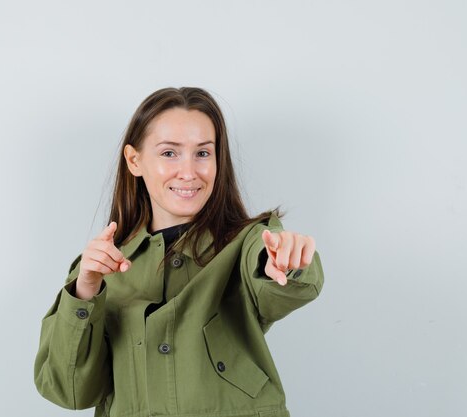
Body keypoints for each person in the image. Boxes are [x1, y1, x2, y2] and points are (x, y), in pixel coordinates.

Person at [34, 87, 324, 417]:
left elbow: (284, 281)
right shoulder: (101, 268)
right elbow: (68, 391)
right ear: (135, 160)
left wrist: (288, 262)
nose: (188, 172)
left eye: (202, 153)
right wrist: (85, 291)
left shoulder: (249, 243)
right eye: (170, 153)